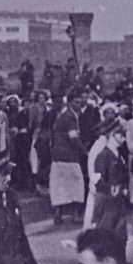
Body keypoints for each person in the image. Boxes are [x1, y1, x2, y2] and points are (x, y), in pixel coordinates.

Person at [50, 90, 88, 224]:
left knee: (61, 184)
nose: (79, 104)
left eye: (80, 101)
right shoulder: (70, 116)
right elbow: (73, 138)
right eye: (76, 102)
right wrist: (85, 152)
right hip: (69, 155)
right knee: (77, 183)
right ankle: (76, 214)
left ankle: (59, 212)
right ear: (70, 102)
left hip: (58, 155)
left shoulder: (63, 115)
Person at [92, 119, 130, 232]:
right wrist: (112, 189)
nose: (124, 138)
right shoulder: (103, 156)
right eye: (121, 134)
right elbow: (98, 182)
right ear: (112, 135)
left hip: (119, 201)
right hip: (107, 202)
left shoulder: (119, 155)